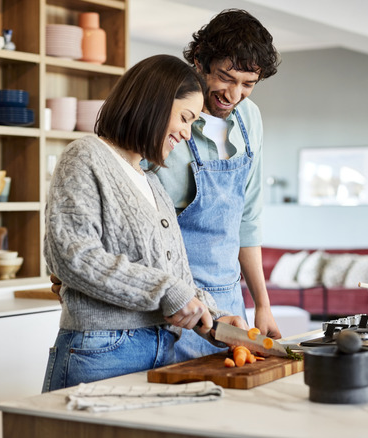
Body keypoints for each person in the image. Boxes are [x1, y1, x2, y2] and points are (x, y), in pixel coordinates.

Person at [42, 54, 248, 392]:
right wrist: (168, 292)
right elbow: (72, 256)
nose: (186, 133)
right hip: (102, 350)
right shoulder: (85, 156)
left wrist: (214, 318)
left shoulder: (152, 182)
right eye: (185, 118)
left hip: (161, 348)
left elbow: (175, 276)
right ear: (154, 103)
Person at [158, 9, 283, 362]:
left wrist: (262, 304)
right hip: (175, 304)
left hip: (229, 305)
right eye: (226, 78)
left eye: (248, 84)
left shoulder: (250, 118)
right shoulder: (167, 118)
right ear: (199, 61)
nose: (234, 94)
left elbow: (248, 218)